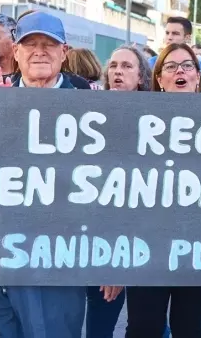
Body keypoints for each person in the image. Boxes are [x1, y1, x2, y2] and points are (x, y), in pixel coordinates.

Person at [0, 11, 111, 338]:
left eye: (49, 45)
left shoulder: (90, 107)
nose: (39, 51)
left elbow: (112, 185)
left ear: (64, 53)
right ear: (15, 52)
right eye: (30, 44)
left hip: (56, 259)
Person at [126, 43, 201, 338]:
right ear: (159, 79)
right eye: (171, 67)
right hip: (146, 243)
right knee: (143, 326)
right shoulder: (138, 121)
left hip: (197, 246)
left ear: (197, 76)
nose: (180, 72)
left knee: (189, 326)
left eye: (187, 66)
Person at [84, 46, 152, 338]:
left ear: (141, 77)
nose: (118, 72)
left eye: (126, 66)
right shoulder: (87, 114)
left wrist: (117, 263)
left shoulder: (155, 122)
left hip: (125, 245)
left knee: (104, 327)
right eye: (113, 65)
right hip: (81, 239)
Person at [148, 17, 201, 93]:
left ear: (187, 38)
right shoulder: (151, 64)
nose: (169, 37)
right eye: (167, 33)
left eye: (175, 33)